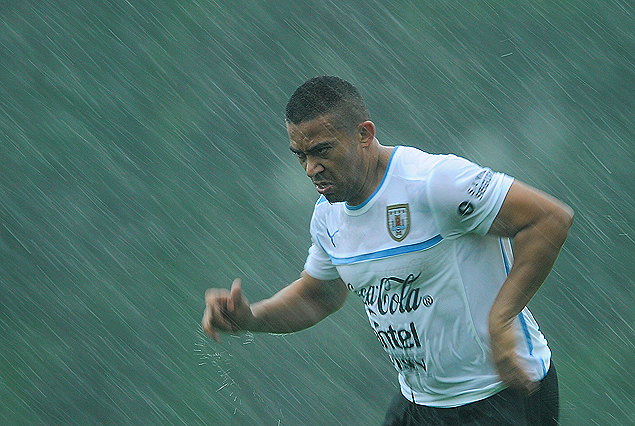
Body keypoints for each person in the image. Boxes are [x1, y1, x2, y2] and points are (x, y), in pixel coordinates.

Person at [202, 76, 573, 425]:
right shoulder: (327, 215)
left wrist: (502, 318)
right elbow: (319, 297)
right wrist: (251, 317)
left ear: (364, 135)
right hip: (419, 404)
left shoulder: (433, 181)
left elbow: (549, 220)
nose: (310, 168)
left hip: (503, 394)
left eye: (321, 151)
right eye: (300, 155)